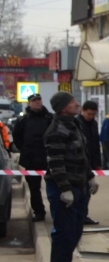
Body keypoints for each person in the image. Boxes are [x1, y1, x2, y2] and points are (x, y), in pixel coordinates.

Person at [43, 92, 98, 262]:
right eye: (72, 102)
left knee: (74, 231)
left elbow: (81, 155)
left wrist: (89, 176)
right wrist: (64, 189)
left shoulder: (74, 125)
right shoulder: (56, 130)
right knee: (64, 232)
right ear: (63, 107)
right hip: (64, 189)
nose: (77, 104)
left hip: (79, 185)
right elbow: (56, 163)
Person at [12, 93, 53, 222]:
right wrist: (24, 149)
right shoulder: (23, 120)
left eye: (39, 100)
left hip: (49, 159)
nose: (37, 102)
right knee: (34, 189)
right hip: (31, 159)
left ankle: (57, 212)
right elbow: (17, 137)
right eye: (34, 101)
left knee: (53, 187)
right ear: (29, 103)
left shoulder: (50, 118)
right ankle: (39, 212)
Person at [76, 100, 102, 226]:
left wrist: (97, 162)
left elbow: (95, 144)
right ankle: (79, 216)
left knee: (87, 191)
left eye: (93, 114)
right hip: (79, 162)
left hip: (90, 162)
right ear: (83, 111)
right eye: (89, 114)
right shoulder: (76, 123)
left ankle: (83, 215)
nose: (91, 117)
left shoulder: (94, 124)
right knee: (81, 191)